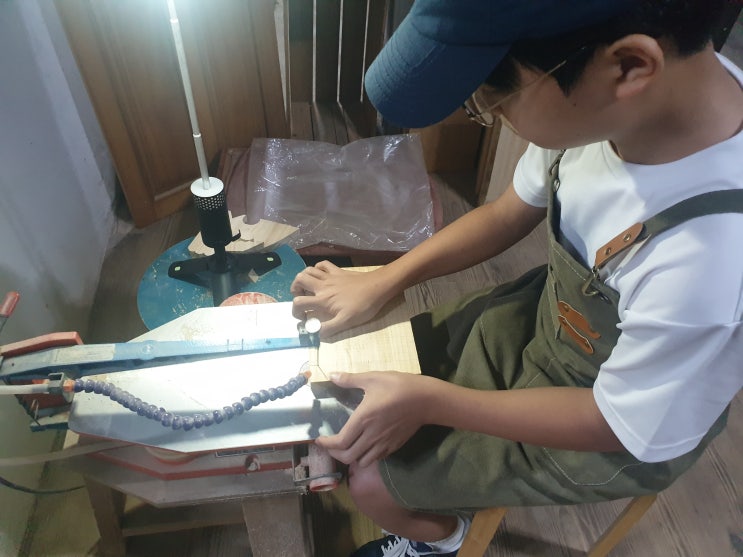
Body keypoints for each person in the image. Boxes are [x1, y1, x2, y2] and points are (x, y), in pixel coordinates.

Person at [290, 1, 743, 555]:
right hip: (548, 326)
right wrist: (387, 279)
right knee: (365, 380)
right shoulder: (619, 111)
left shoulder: (712, 261)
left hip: (610, 425)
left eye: (494, 98)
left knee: (371, 480)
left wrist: (432, 402)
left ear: (629, 66)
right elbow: (508, 212)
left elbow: (615, 422)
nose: (491, 114)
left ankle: (441, 542)